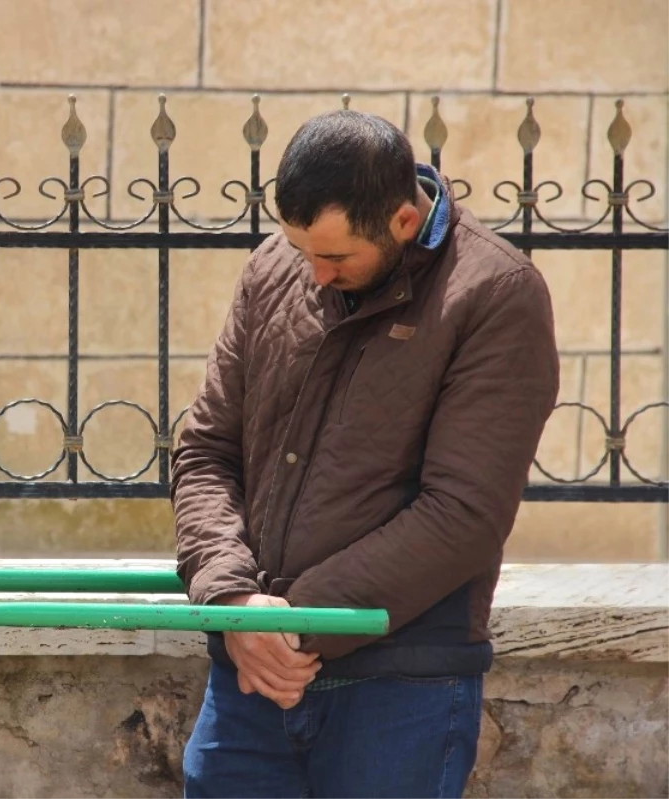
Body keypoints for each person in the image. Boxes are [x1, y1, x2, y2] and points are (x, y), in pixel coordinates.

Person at [171, 110, 560, 798]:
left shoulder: (497, 294)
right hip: (252, 675)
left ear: (403, 222)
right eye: (302, 251)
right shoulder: (274, 265)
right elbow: (205, 449)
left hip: (400, 689)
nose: (315, 275)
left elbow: (464, 512)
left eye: (337, 258)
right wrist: (232, 597)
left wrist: (289, 623)